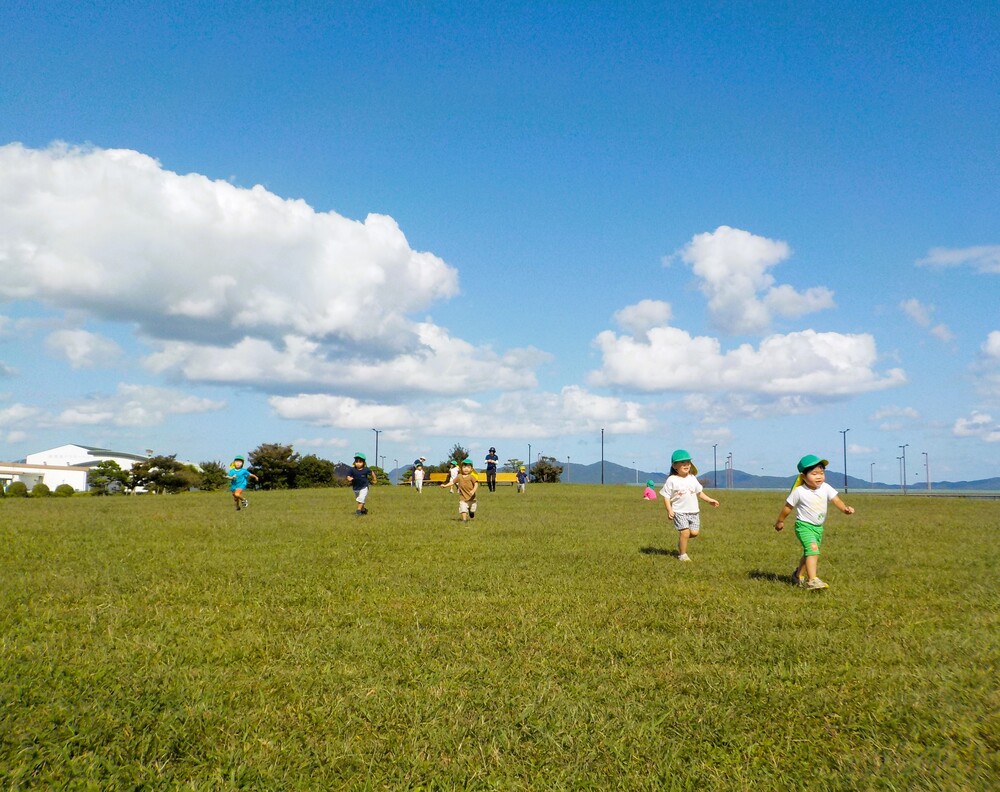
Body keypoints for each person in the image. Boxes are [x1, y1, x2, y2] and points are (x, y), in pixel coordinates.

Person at [774, 454, 855, 590]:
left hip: (818, 528)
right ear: (804, 477)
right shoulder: (799, 491)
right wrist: (780, 521)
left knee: (809, 553)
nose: (819, 476)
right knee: (813, 551)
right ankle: (812, 580)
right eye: (814, 473)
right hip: (804, 526)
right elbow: (788, 507)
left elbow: (836, 500)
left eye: (821, 473)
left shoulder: (826, 487)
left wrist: (844, 509)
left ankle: (797, 575)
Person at [661, 449, 720, 561]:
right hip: (679, 511)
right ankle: (682, 555)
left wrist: (709, 500)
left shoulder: (692, 478)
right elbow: (666, 496)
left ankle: (683, 539)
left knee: (694, 533)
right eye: (682, 463)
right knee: (685, 532)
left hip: (694, 511)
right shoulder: (672, 480)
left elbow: (699, 492)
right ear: (674, 466)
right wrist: (669, 510)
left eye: (688, 462)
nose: (686, 465)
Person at [347, 452, 376, 517]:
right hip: (356, 488)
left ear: (363, 463)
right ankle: (363, 510)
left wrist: (374, 479)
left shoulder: (366, 470)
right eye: (356, 461)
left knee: (361, 498)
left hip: (364, 487)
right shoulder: (352, 469)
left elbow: (372, 473)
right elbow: (348, 476)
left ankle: (358, 511)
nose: (358, 463)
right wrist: (349, 478)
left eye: (360, 462)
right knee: (359, 500)